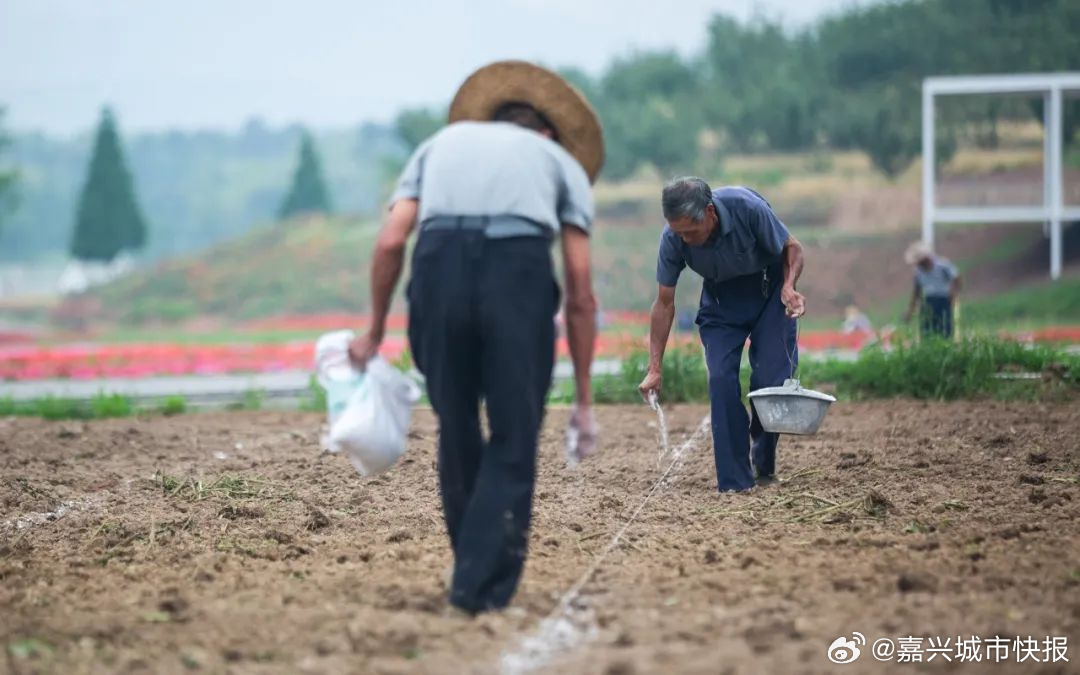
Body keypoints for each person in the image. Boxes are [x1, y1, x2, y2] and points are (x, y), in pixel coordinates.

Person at [347, 61, 603, 615]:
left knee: (456, 426)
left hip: (437, 270)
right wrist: (583, 401)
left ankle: (470, 565)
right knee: (514, 434)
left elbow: (392, 242)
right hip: (517, 273)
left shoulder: (441, 144)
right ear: (547, 132)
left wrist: (372, 330)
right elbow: (581, 289)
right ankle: (477, 586)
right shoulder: (559, 162)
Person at [637, 177, 806, 493]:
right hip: (721, 302)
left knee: (771, 383)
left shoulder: (748, 208)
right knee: (720, 381)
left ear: (710, 212)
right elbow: (663, 303)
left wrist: (789, 286)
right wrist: (654, 368)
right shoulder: (673, 237)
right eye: (678, 232)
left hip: (770, 293)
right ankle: (735, 483)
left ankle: (763, 457)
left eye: (690, 231)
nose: (684, 239)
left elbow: (792, 248)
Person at [902, 241, 961, 339]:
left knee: (945, 331)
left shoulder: (943, 265)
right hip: (928, 302)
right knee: (927, 332)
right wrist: (910, 310)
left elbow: (957, 279)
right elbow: (916, 291)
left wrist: (953, 294)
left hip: (944, 300)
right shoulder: (918, 272)